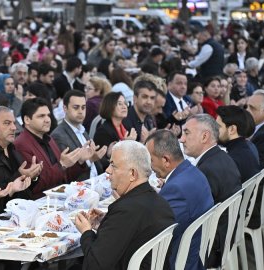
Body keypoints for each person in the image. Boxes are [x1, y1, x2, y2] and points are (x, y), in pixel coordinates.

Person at [74, 140, 175, 270]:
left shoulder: (125, 210)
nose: (107, 171)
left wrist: (86, 232)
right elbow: (130, 232)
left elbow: (94, 265)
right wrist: (105, 222)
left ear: (132, 174)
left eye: (113, 165)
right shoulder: (160, 202)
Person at [145, 130, 214, 270]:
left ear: (165, 160)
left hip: (179, 262)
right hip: (196, 253)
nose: (150, 167)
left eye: (151, 160)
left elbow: (151, 232)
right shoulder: (193, 172)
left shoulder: (176, 189)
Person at [180, 114, 242, 267]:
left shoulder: (207, 169)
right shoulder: (221, 157)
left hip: (210, 246)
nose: (181, 139)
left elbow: (187, 215)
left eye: (186, 133)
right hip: (223, 236)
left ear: (204, 136)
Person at [15, 98, 88, 198]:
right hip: (40, 203)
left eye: (48, 115)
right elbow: (36, 185)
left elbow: (63, 176)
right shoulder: (21, 143)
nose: (47, 120)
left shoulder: (49, 139)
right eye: (41, 116)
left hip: (60, 197)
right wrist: (62, 165)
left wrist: (79, 162)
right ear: (27, 119)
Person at [0, 106, 42, 195]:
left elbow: (26, 190)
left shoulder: (12, 148)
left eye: (14, 123)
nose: (14, 127)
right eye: (7, 123)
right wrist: (20, 175)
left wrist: (33, 176)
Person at [51, 90, 107, 180]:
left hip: (97, 179)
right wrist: (86, 160)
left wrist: (106, 155)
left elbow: (94, 162)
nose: (81, 111)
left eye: (83, 107)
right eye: (76, 107)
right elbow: (65, 175)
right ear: (65, 108)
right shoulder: (58, 135)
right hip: (80, 186)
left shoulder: (82, 129)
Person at [216, 106, 260, 182]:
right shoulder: (247, 148)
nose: (214, 130)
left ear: (232, 129)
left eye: (218, 126)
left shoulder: (231, 159)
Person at [93, 92, 137, 168]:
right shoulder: (103, 131)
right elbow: (102, 163)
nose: (124, 106)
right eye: (120, 104)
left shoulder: (127, 126)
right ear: (110, 107)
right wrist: (126, 144)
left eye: (125, 103)